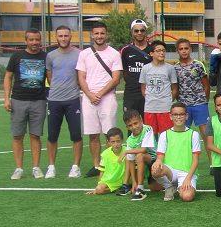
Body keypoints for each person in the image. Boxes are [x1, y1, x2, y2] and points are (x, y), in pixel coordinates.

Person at [76, 22, 123, 178]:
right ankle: (96, 165)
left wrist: (100, 94)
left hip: (107, 98)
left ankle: (108, 164)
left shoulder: (114, 54)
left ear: (106, 34)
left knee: (109, 134)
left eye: (102, 33)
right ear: (92, 35)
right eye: (96, 33)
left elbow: (116, 78)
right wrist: (89, 94)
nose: (99, 36)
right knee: (93, 134)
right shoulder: (84, 54)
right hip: (89, 99)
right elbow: (81, 77)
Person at [4, 28, 48, 180]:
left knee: (35, 135)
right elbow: (8, 77)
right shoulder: (16, 56)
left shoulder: (45, 57)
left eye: (37, 39)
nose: (34, 42)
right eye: (31, 40)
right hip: (18, 100)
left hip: (39, 101)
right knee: (17, 136)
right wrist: (6, 98)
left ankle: (36, 167)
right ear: (26, 41)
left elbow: (51, 78)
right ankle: (19, 168)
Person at [45, 25, 83, 179]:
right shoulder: (51, 56)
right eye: (60, 36)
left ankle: (75, 167)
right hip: (54, 100)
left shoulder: (79, 54)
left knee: (76, 135)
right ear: (56, 37)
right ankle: (51, 167)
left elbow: (81, 75)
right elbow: (49, 76)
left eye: (66, 36)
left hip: (73, 100)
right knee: (52, 136)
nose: (63, 38)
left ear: (70, 37)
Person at [151, 102, 200, 203]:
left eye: (181, 114)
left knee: (187, 197)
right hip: (170, 172)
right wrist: (157, 162)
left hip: (186, 173)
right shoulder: (164, 134)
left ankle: (180, 186)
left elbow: (195, 161)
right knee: (155, 169)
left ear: (186, 116)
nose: (178, 117)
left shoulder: (193, 134)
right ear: (170, 116)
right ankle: (169, 186)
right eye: (175, 114)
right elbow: (160, 157)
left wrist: (188, 178)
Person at [138, 41, 177, 136]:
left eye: (163, 50)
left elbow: (174, 88)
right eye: (158, 51)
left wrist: (167, 101)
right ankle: (153, 152)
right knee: (151, 136)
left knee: (166, 135)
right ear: (151, 53)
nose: (162, 53)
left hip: (165, 109)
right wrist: (150, 98)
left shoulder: (170, 68)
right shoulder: (145, 68)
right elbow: (143, 88)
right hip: (150, 108)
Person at [174, 38, 210, 137]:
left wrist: (204, 101)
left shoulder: (198, 65)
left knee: (206, 134)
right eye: (181, 49)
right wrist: (180, 101)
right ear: (177, 51)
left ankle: (211, 153)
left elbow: (206, 85)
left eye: (186, 48)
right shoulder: (175, 68)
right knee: (183, 134)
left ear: (190, 49)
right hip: (184, 105)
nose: (184, 51)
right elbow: (175, 87)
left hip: (200, 104)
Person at [120, 19, 155, 115]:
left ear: (145, 32)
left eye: (142, 30)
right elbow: (124, 71)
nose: (139, 33)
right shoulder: (125, 50)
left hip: (149, 94)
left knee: (148, 126)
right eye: (136, 31)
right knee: (131, 124)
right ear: (132, 32)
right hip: (131, 94)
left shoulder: (153, 49)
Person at [122, 109, 156, 201]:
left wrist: (126, 151)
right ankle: (139, 187)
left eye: (135, 123)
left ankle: (141, 187)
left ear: (141, 119)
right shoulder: (130, 140)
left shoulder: (147, 129)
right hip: (141, 163)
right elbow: (131, 161)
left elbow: (144, 149)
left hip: (153, 160)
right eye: (130, 125)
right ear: (127, 127)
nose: (134, 127)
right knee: (137, 157)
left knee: (140, 155)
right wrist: (134, 182)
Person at [86, 128, 126, 196]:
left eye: (118, 141)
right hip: (109, 180)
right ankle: (117, 188)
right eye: (113, 142)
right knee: (99, 190)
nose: (116, 144)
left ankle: (123, 186)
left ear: (122, 140)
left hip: (124, 179)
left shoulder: (127, 151)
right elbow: (102, 171)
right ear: (108, 142)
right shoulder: (105, 154)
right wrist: (98, 185)